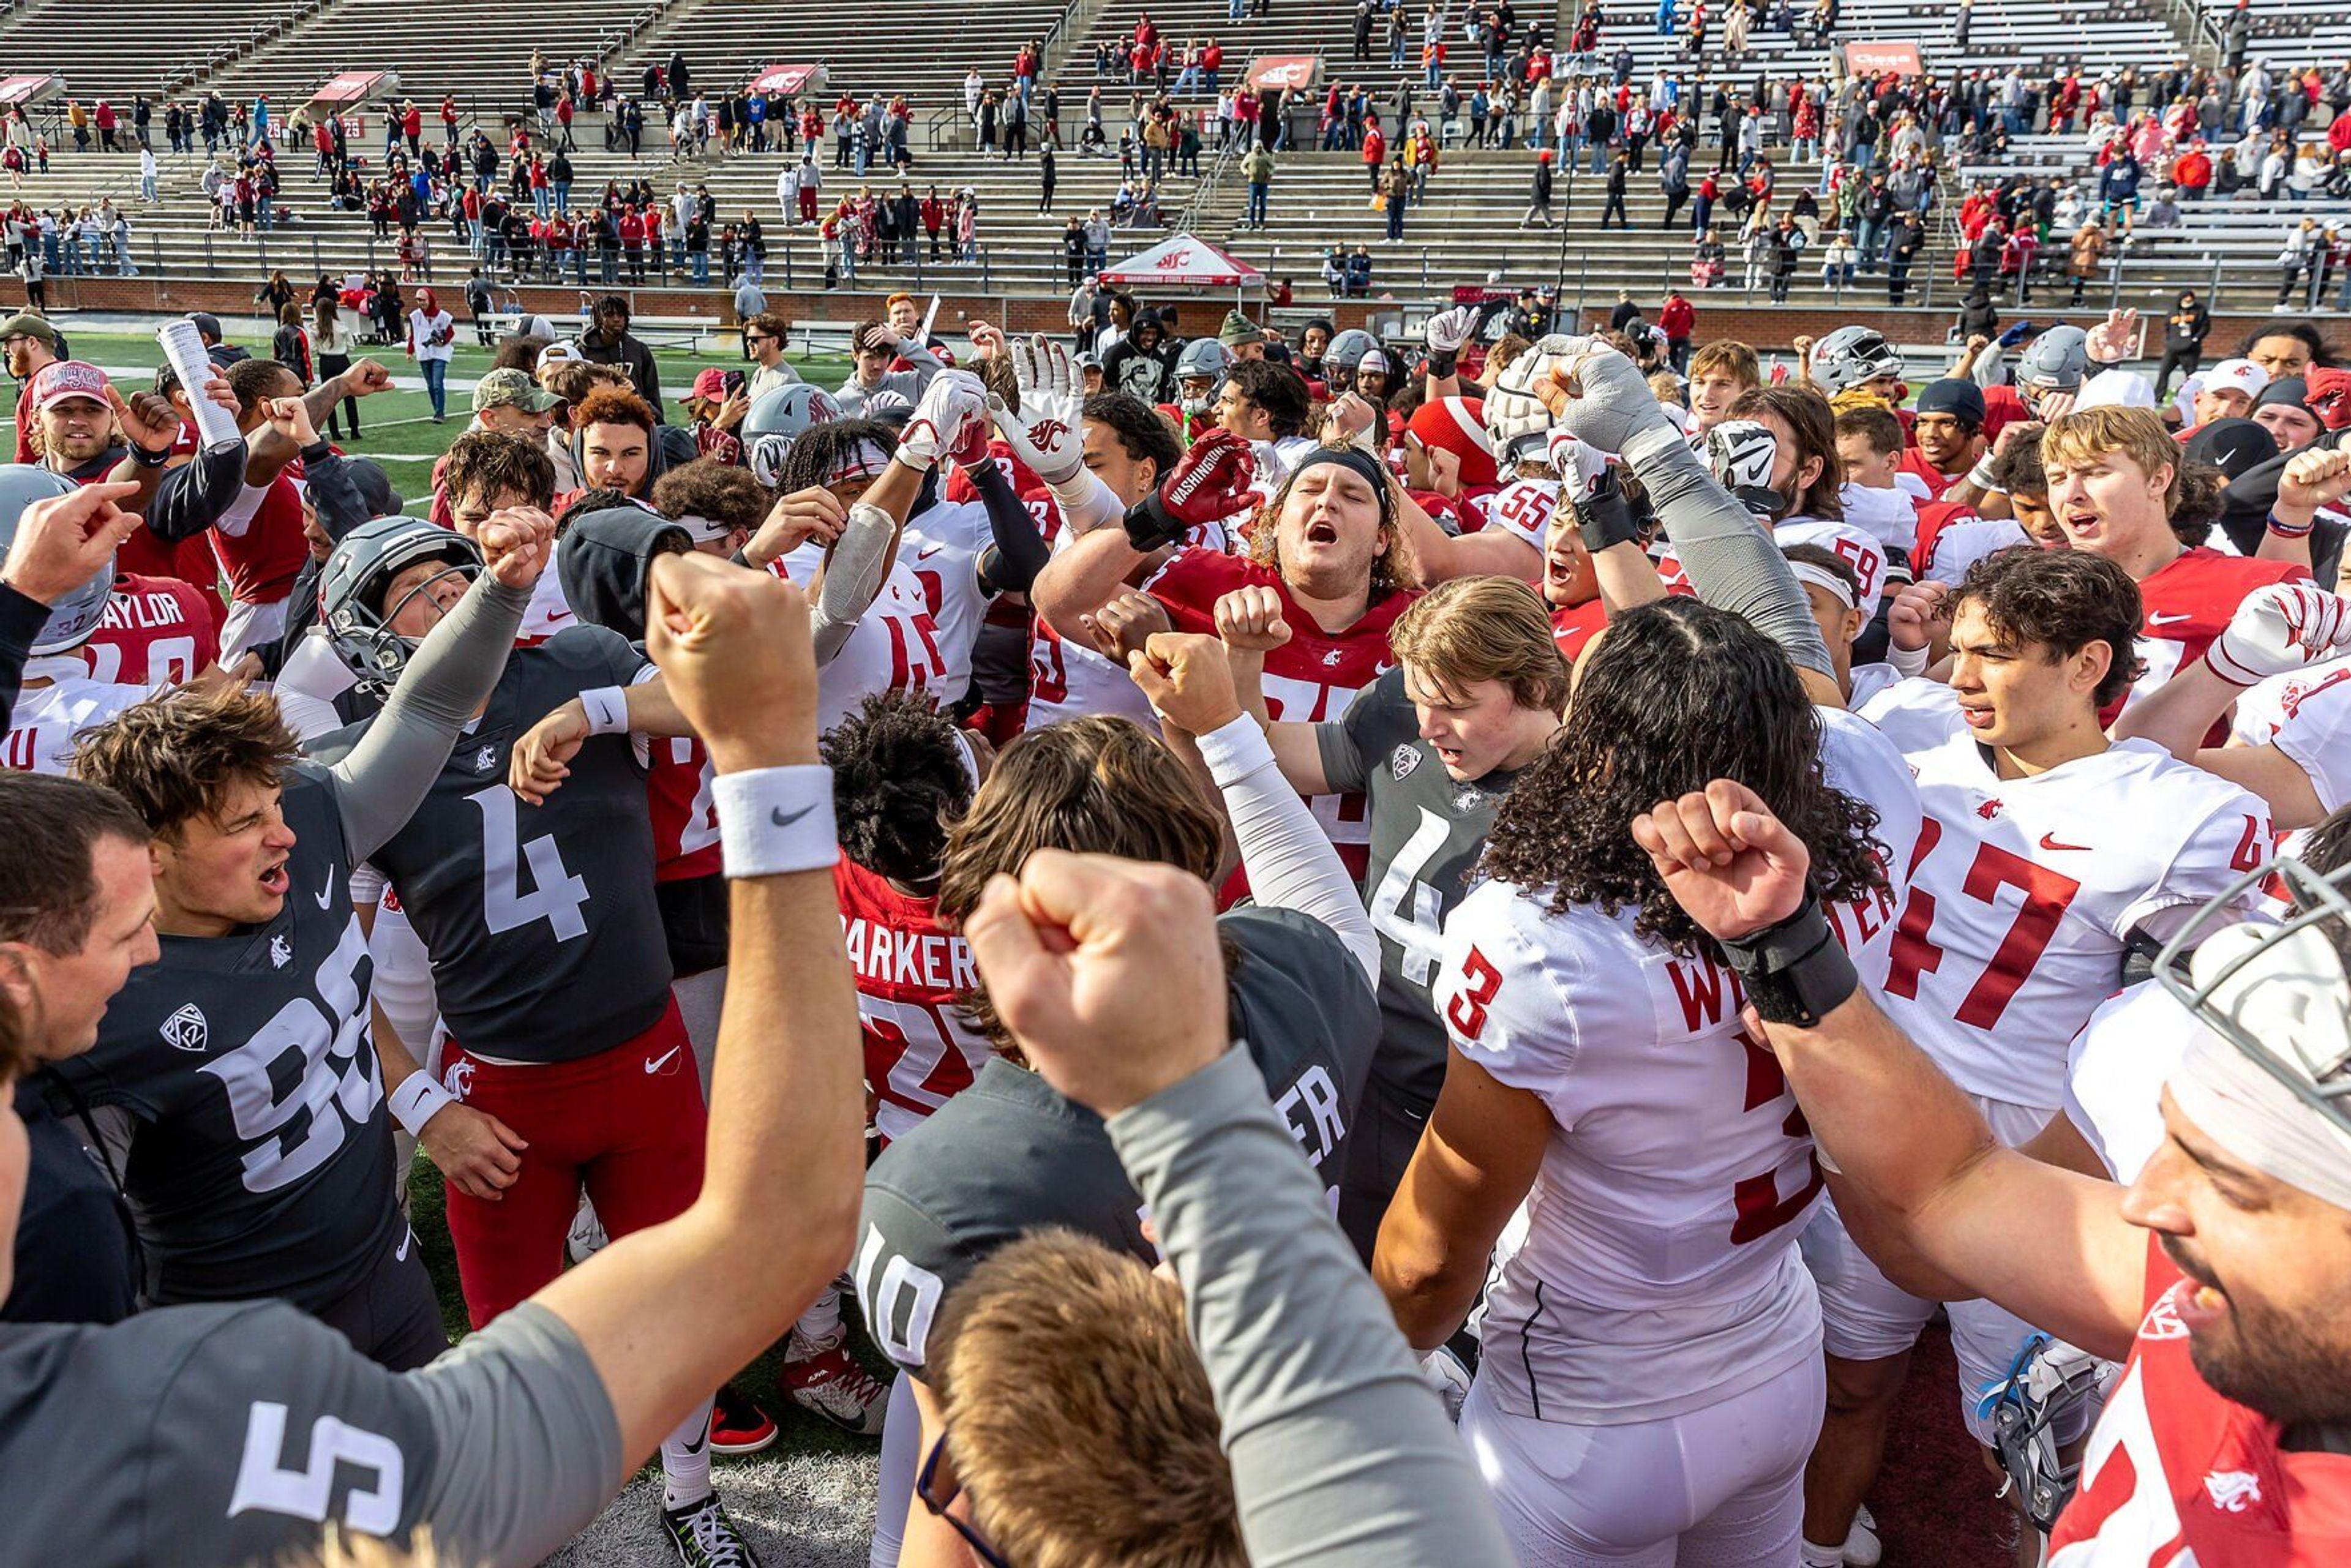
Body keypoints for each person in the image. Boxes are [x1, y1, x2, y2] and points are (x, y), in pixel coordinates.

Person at [2, 548, 869, 1568]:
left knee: (460, 1502)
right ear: (151, 854)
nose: (282, 833)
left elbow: (417, 736)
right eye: (243, 823)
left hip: (392, 1266)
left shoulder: (317, 815)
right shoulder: (97, 1014)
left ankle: (645, 1504)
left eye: (276, 805)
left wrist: (519, 609)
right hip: (244, 1325)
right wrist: (427, 1102)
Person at [1628, 759, 2351, 1563]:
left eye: (2239, 1187)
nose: (2145, 1203)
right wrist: (1781, 948)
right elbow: (1953, 1188)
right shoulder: (2243, 1288)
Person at [574, 294, 664, 416]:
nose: (617, 319)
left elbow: (652, 392)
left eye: (621, 315)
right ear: (598, 319)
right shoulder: (582, 351)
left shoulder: (639, 350)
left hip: (634, 417)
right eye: (610, 315)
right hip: (596, 418)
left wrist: (656, 415)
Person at [403, 287, 454, 424]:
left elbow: (450, 332)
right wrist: (409, 351)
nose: (421, 303)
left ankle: (440, 413)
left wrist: (443, 342)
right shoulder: (415, 316)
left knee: (438, 383)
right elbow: (413, 335)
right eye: (418, 300)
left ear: (430, 299)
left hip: (440, 353)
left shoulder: (443, 316)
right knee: (430, 385)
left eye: (423, 300)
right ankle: (437, 409)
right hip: (424, 353)